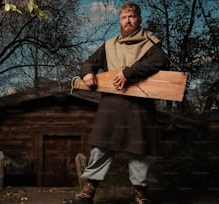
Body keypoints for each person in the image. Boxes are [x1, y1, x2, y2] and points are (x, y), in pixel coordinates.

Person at [67, 2, 169, 204]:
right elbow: (89, 62)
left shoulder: (150, 43)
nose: (127, 20)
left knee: (139, 151)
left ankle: (141, 195)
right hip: (111, 107)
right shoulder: (109, 45)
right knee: (100, 148)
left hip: (138, 107)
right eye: (124, 17)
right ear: (119, 20)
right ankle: (88, 193)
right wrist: (87, 73)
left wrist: (128, 73)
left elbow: (159, 62)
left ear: (139, 19)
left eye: (131, 16)